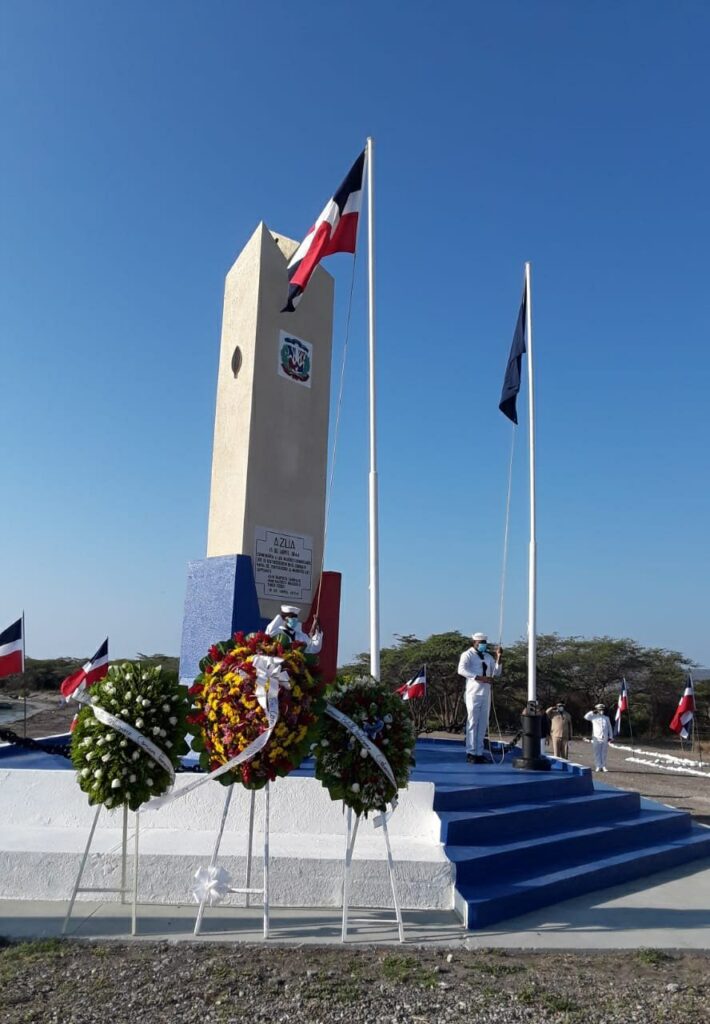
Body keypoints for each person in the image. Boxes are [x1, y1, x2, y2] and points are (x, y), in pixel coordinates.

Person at [457, 632, 502, 764]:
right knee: (472, 722)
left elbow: (497, 672)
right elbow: (461, 670)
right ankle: (470, 752)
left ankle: (479, 752)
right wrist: (479, 678)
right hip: (473, 693)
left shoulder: (488, 656)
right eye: (480, 642)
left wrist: (499, 657)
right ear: (474, 642)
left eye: (484, 642)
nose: (483, 645)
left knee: (483, 724)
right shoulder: (467, 654)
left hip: (486, 693)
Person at [584, 703, 613, 772]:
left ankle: (603, 766)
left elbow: (609, 728)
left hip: (605, 737)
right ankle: (598, 766)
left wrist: (611, 736)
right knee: (597, 753)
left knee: (604, 753)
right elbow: (586, 717)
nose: (601, 711)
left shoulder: (606, 718)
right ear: (597, 710)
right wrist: (592, 712)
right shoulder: (594, 717)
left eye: (602, 709)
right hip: (596, 738)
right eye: (600, 709)